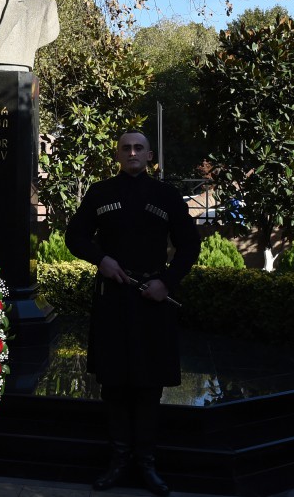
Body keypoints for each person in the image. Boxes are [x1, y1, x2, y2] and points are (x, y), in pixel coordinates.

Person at [65, 131, 201, 496]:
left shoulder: (167, 196)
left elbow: (190, 245)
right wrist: (101, 259)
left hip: (152, 300)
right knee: (114, 383)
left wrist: (168, 282)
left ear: (150, 154)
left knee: (148, 385)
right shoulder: (100, 193)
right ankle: (118, 460)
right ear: (118, 154)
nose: (132, 153)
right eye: (126, 148)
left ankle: (147, 464)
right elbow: (74, 236)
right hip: (113, 300)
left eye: (139, 148)